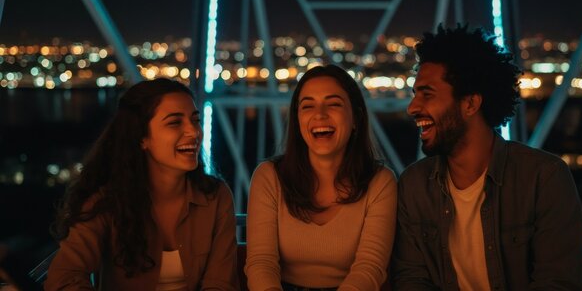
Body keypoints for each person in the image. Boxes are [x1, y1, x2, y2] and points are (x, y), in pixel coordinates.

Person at [392, 25, 582, 290]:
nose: (412, 107)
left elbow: (557, 282)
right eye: (415, 95)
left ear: (470, 104)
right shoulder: (414, 185)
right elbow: (410, 280)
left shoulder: (544, 179)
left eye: (427, 94)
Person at [45, 78, 239, 290]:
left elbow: (220, 284)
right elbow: (64, 278)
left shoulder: (215, 197)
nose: (193, 132)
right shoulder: (106, 201)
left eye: (195, 120)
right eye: (175, 122)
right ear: (141, 137)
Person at [245, 65, 397, 291]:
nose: (320, 114)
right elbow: (261, 263)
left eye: (334, 104)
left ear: (356, 118)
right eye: (307, 106)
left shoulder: (380, 183)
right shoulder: (269, 177)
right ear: (297, 120)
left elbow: (369, 267)